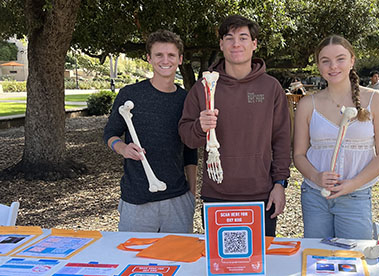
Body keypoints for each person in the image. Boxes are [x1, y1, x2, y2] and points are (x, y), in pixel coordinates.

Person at [179, 15, 291, 237]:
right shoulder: (203, 87)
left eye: (243, 37)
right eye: (229, 38)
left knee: (260, 266)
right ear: (221, 44)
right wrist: (199, 127)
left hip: (261, 194)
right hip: (217, 194)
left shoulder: (271, 88)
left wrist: (280, 184)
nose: (236, 44)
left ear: (254, 44)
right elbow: (186, 137)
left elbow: (281, 139)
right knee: (221, 267)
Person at [293, 35, 379, 239]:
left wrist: (353, 183)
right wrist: (316, 177)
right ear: (319, 66)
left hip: (356, 195)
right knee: (316, 258)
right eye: (325, 61)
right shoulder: (307, 104)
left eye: (340, 58)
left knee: (354, 260)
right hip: (315, 196)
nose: (333, 66)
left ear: (352, 60)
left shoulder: (375, 100)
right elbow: (299, 155)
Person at [103, 30, 197, 233]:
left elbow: (190, 150)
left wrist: (192, 193)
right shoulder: (130, 94)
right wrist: (122, 148)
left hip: (178, 200)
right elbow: (110, 134)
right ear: (149, 58)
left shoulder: (186, 100)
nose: (165, 60)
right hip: (137, 201)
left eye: (171, 55)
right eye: (159, 55)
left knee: (178, 261)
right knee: (135, 261)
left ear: (180, 59)